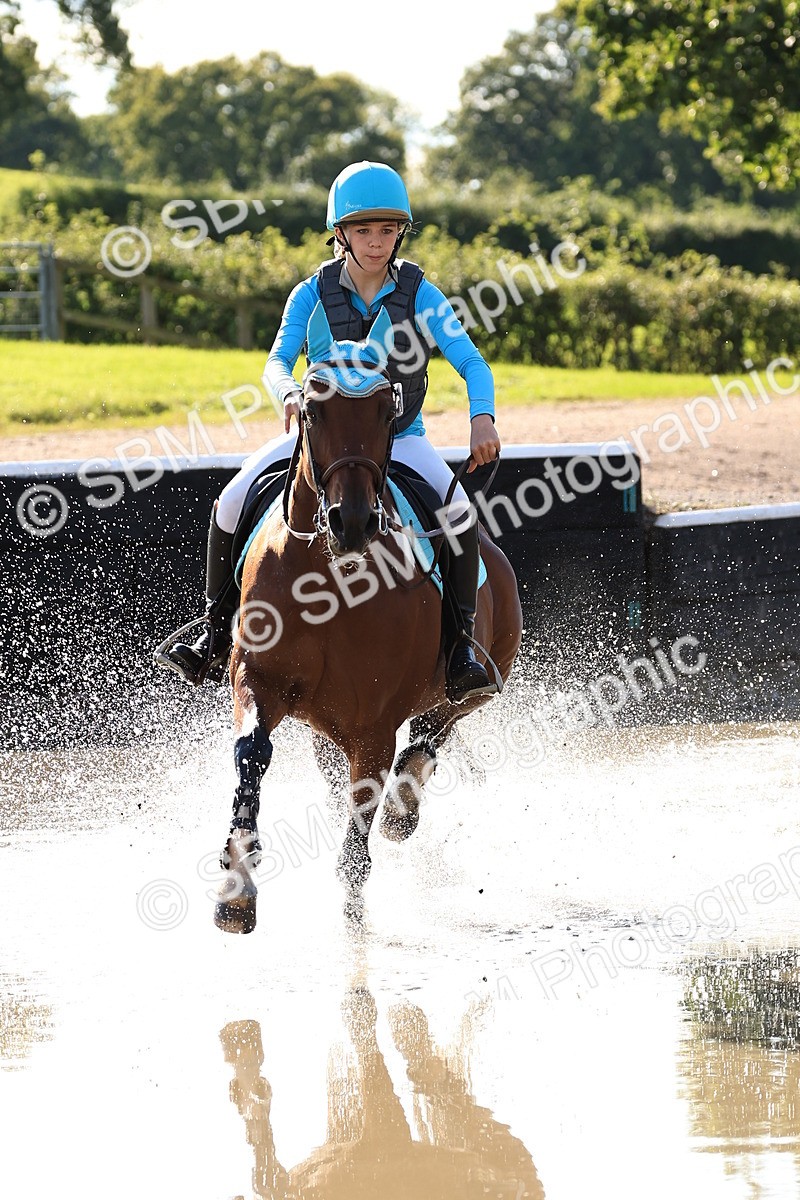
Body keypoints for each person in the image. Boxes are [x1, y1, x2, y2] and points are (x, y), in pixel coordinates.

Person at [159, 160, 501, 702]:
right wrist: (289, 395)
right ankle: (210, 630)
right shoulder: (310, 294)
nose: (376, 242)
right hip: (316, 436)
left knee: (459, 517)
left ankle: (459, 648)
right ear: (339, 233)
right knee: (228, 503)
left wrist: (482, 415)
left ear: (400, 232)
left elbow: (473, 363)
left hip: (400, 438)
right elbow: (276, 361)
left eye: (387, 230)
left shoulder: (421, 295)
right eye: (363, 230)